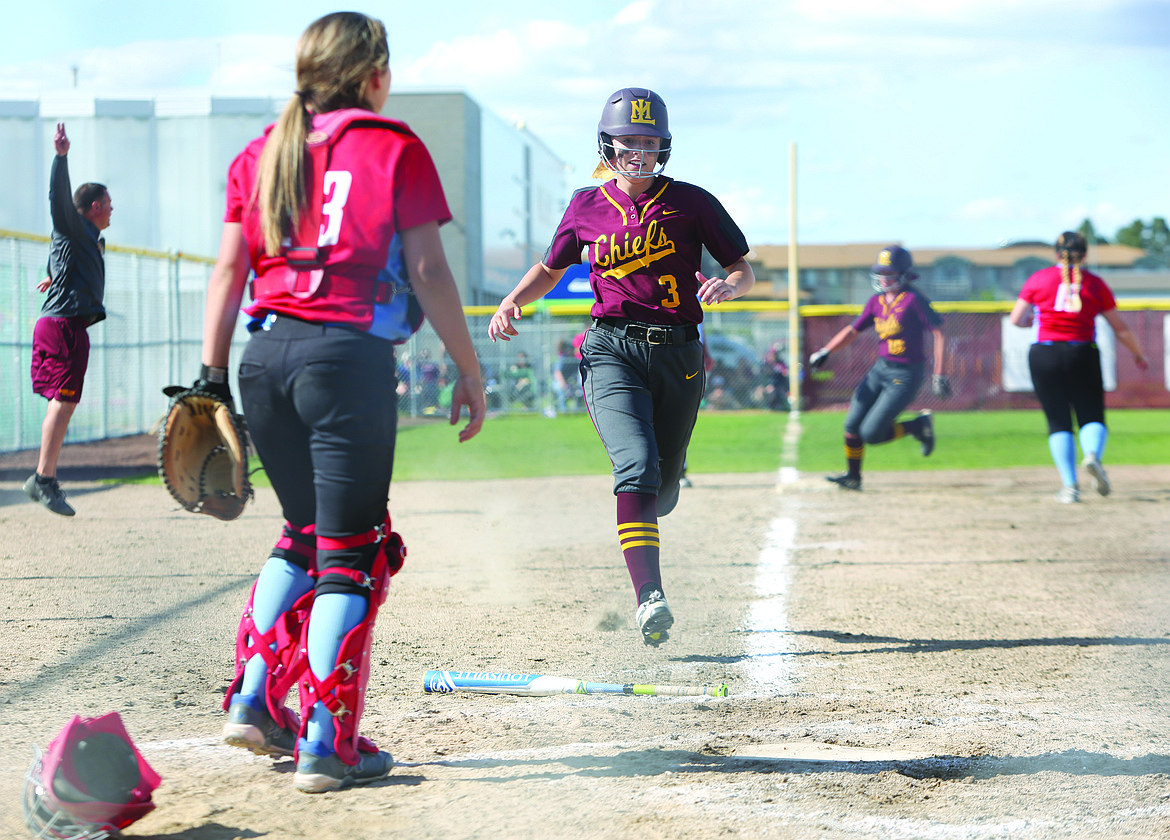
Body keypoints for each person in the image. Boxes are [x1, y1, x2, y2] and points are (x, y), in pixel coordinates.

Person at [194, 12, 485, 794]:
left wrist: (209, 381)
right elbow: (426, 271)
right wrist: (468, 367)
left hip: (264, 360)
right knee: (351, 553)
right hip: (344, 361)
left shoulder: (260, 151)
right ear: (375, 75)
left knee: (304, 532)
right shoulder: (394, 147)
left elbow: (227, 275)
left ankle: (254, 700)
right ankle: (327, 742)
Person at [488, 87, 755, 647]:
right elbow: (548, 266)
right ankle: (649, 597)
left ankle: (662, 485)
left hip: (679, 351)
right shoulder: (586, 204)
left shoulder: (692, 201)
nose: (639, 151)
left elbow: (741, 267)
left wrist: (730, 286)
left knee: (661, 485)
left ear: (665, 147)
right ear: (607, 143)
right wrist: (513, 299)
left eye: (650, 141)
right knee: (635, 466)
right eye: (630, 140)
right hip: (610, 348)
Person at [1009, 231, 1148, 503]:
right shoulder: (1094, 283)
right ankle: (1093, 455)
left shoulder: (1038, 279)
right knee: (1091, 415)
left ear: (1055, 253)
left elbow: (1017, 319)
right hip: (1082, 351)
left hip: (1044, 354)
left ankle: (1070, 487)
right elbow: (1119, 328)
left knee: (1058, 421)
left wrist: (1032, 322)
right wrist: (1138, 354)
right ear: (1084, 255)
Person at [25, 123, 113, 517]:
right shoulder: (74, 225)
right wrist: (61, 158)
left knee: (63, 403)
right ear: (93, 206)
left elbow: (63, 253)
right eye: (108, 203)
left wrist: (51, 270)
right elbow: (58, 201)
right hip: (63, 326)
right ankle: (43, 479)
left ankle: (43, 477)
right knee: (63, 402)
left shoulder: (90, 237)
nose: (112, 209)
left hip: (63, 325)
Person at [808, 245, 948, 491]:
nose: (884, 278)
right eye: (881, 272)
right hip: (881, 369)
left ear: (904, 274)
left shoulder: (914, 300)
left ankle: (918, 426)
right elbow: (853, 330)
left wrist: (940, 374)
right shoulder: (876, 301)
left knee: (871, 433)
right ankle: (853, 477)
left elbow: (939, 333)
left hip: (906, 374)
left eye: (890, 273)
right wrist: (826, 351)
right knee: (851, 426)